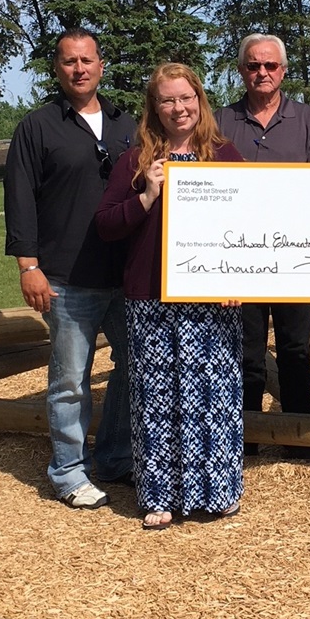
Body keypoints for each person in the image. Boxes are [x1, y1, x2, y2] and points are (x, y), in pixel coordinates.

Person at [95, 63, 245, 530]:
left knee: (212, 396)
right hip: (150, 298)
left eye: (186, 98)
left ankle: (215, 491)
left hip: (210, 300)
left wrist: (238, 281)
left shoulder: (226, 156)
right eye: (167, 100)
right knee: (156, 398)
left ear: (199, 101)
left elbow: (247, 227)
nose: (178, 108)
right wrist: (146, 196)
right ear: (153, 108)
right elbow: (105, 225)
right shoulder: (135, 162)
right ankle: (159, 494)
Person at [4, 29, 136, 508]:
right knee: (69, 380)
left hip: (124, 276)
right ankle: (67, 473)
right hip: (63, 277)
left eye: (87, 60)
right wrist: (28, 266)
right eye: (69, 62)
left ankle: (117, 457)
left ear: (102, 65)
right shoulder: (38, 127)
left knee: (134, 367)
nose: (79, 69)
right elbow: (19, 199)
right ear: (56, 69)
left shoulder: (128, 125)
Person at [217, 34, 310, 418]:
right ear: (241, 70)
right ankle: (246, 437)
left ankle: (297, 435)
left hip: (294, 256)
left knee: (295, 350)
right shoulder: (220, 121)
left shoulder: (307, 119)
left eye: (270, 65)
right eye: (253, 65)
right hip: (240, 256)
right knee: (246, 352)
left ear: (283, 71)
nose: (261, 72)